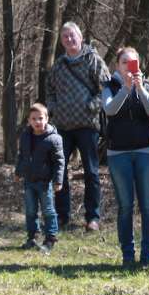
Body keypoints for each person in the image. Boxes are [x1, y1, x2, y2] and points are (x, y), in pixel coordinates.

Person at [45, 21, 111, 232]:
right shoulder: (58, 65)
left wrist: (92, 106)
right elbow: (49, 90)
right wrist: (53, 108)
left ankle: (93, 218)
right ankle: (62, 216)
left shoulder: (93, 60)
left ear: (80, 38)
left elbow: (107, 88)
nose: (69, 39)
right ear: (62, 41)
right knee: (60, 172)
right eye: (65, 37)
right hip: (62, 126)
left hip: (87, 126)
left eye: (72, 35)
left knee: (91, 172)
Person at [102, 46, 149, 268]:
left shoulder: (147, 84)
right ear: (117, 65)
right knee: (125, 206)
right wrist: (125, 89)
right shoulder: (109, 86)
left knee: (147, 206)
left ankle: (146, 257)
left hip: (145, 152)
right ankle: (128, 255)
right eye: (124, 62)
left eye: (133, 62)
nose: (129, 66)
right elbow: (109, 110)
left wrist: (140, 88)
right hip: (118, 154)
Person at [15, 103, 65, 252]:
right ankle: (32, 237)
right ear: (29, 121)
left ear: (47, 119)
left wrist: (58, 180)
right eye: (34, 119)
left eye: (40, 118)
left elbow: (59, 162)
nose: (37, 122)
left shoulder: (54, 139)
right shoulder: (25, 136)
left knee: (48, 211)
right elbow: (22, 156)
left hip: (45, 183)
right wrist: (18, 172)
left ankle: (50, 239)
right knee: (30, 211)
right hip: (29, 181)